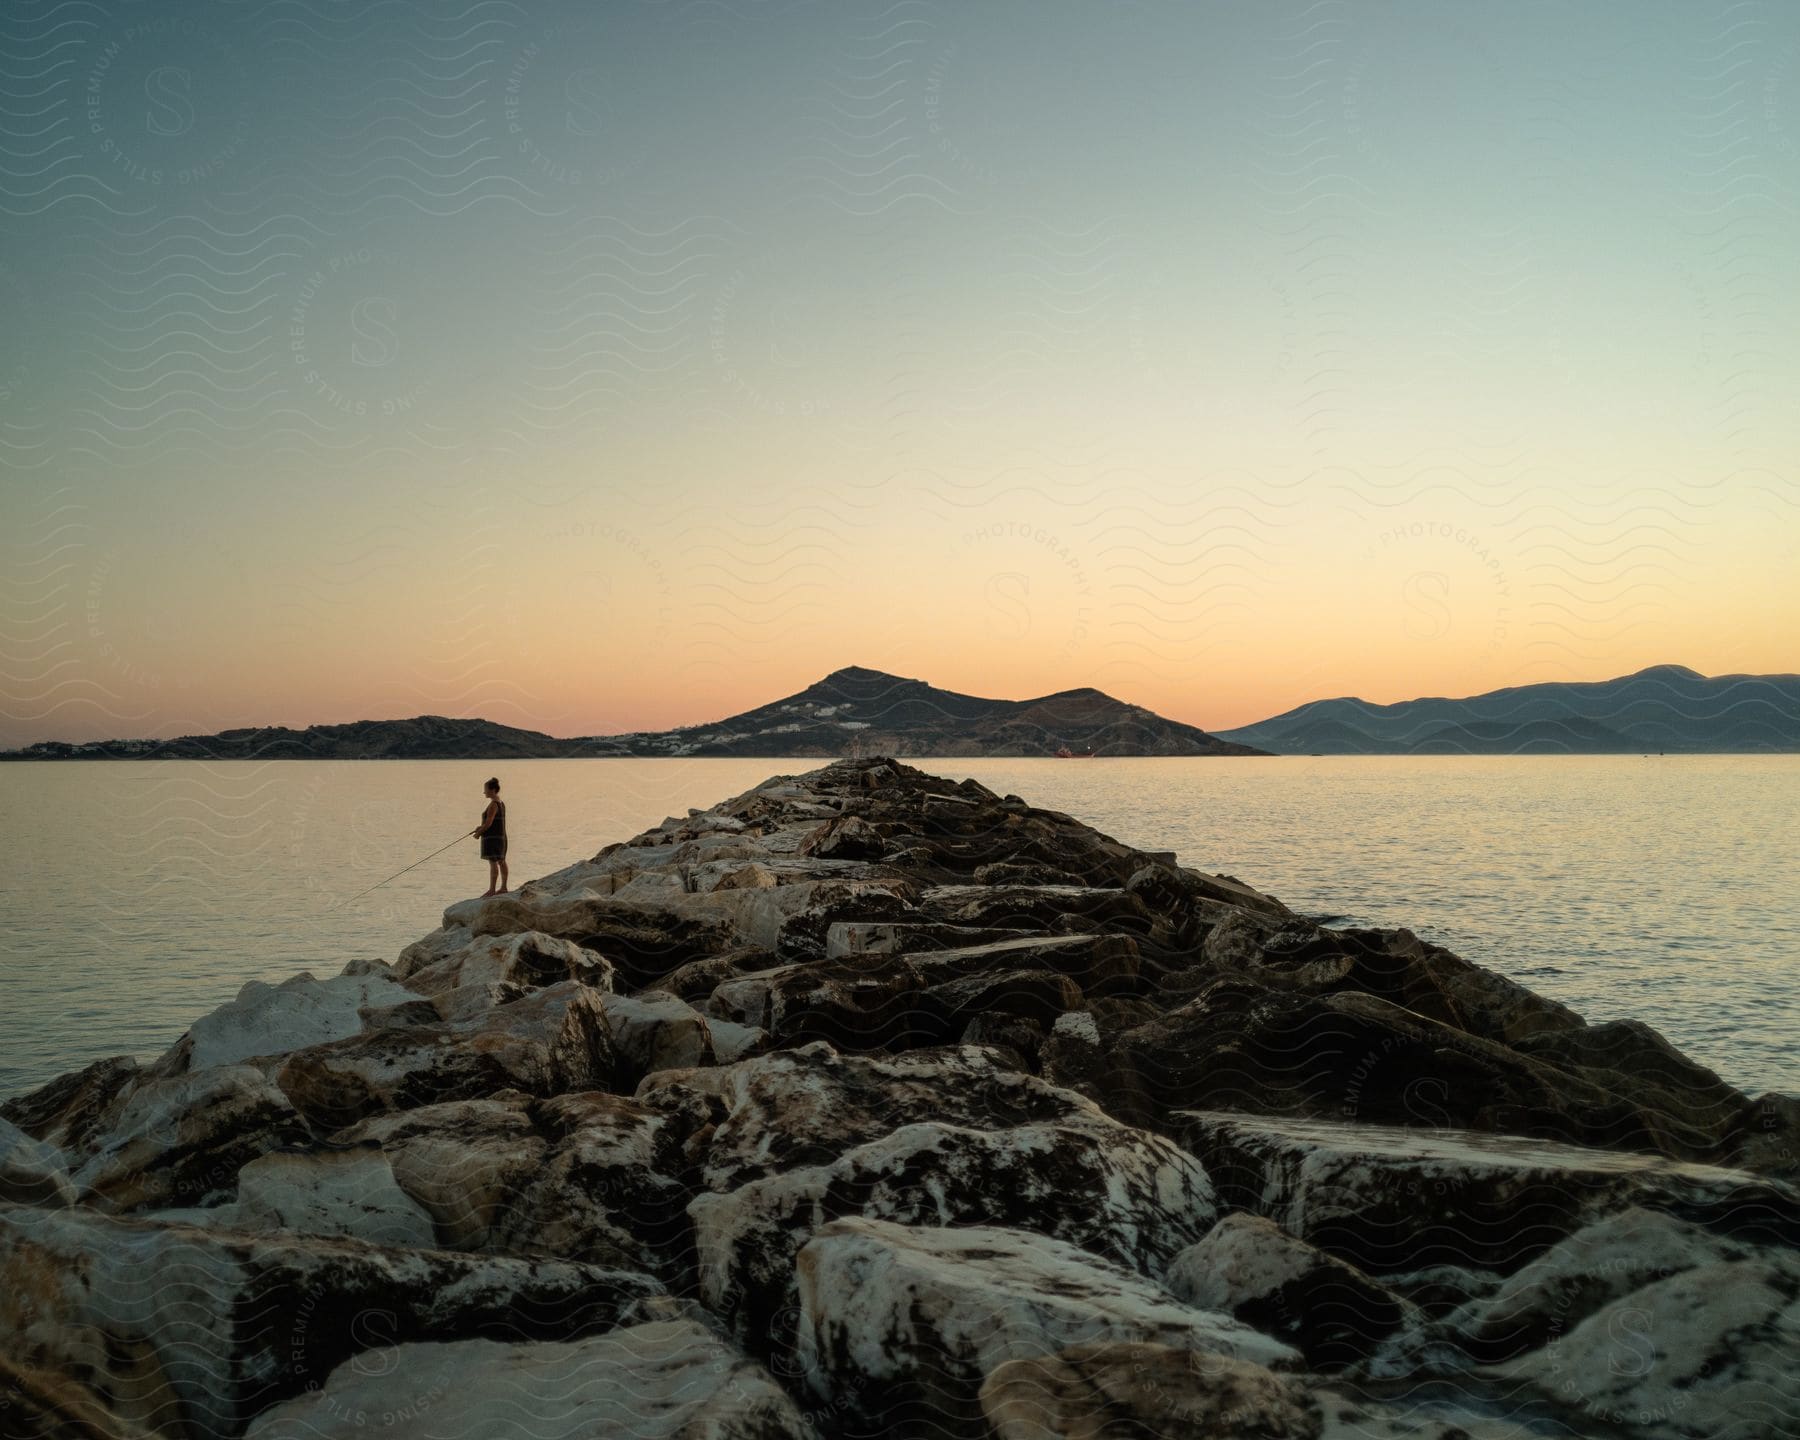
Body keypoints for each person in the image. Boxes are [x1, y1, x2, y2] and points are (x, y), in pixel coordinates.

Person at [472, 776, 508, 896]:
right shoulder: (501, 803)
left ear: (492, 790)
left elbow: (488, 823)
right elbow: (491, 822)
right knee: (502, 861)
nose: (484, 792)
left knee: (493, 862)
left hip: (494, 839)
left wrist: (478, 833)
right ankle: (503, 887)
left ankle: (492, 890)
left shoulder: (493, 804)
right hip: (501, 837)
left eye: (485, 789)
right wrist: (479, 828)